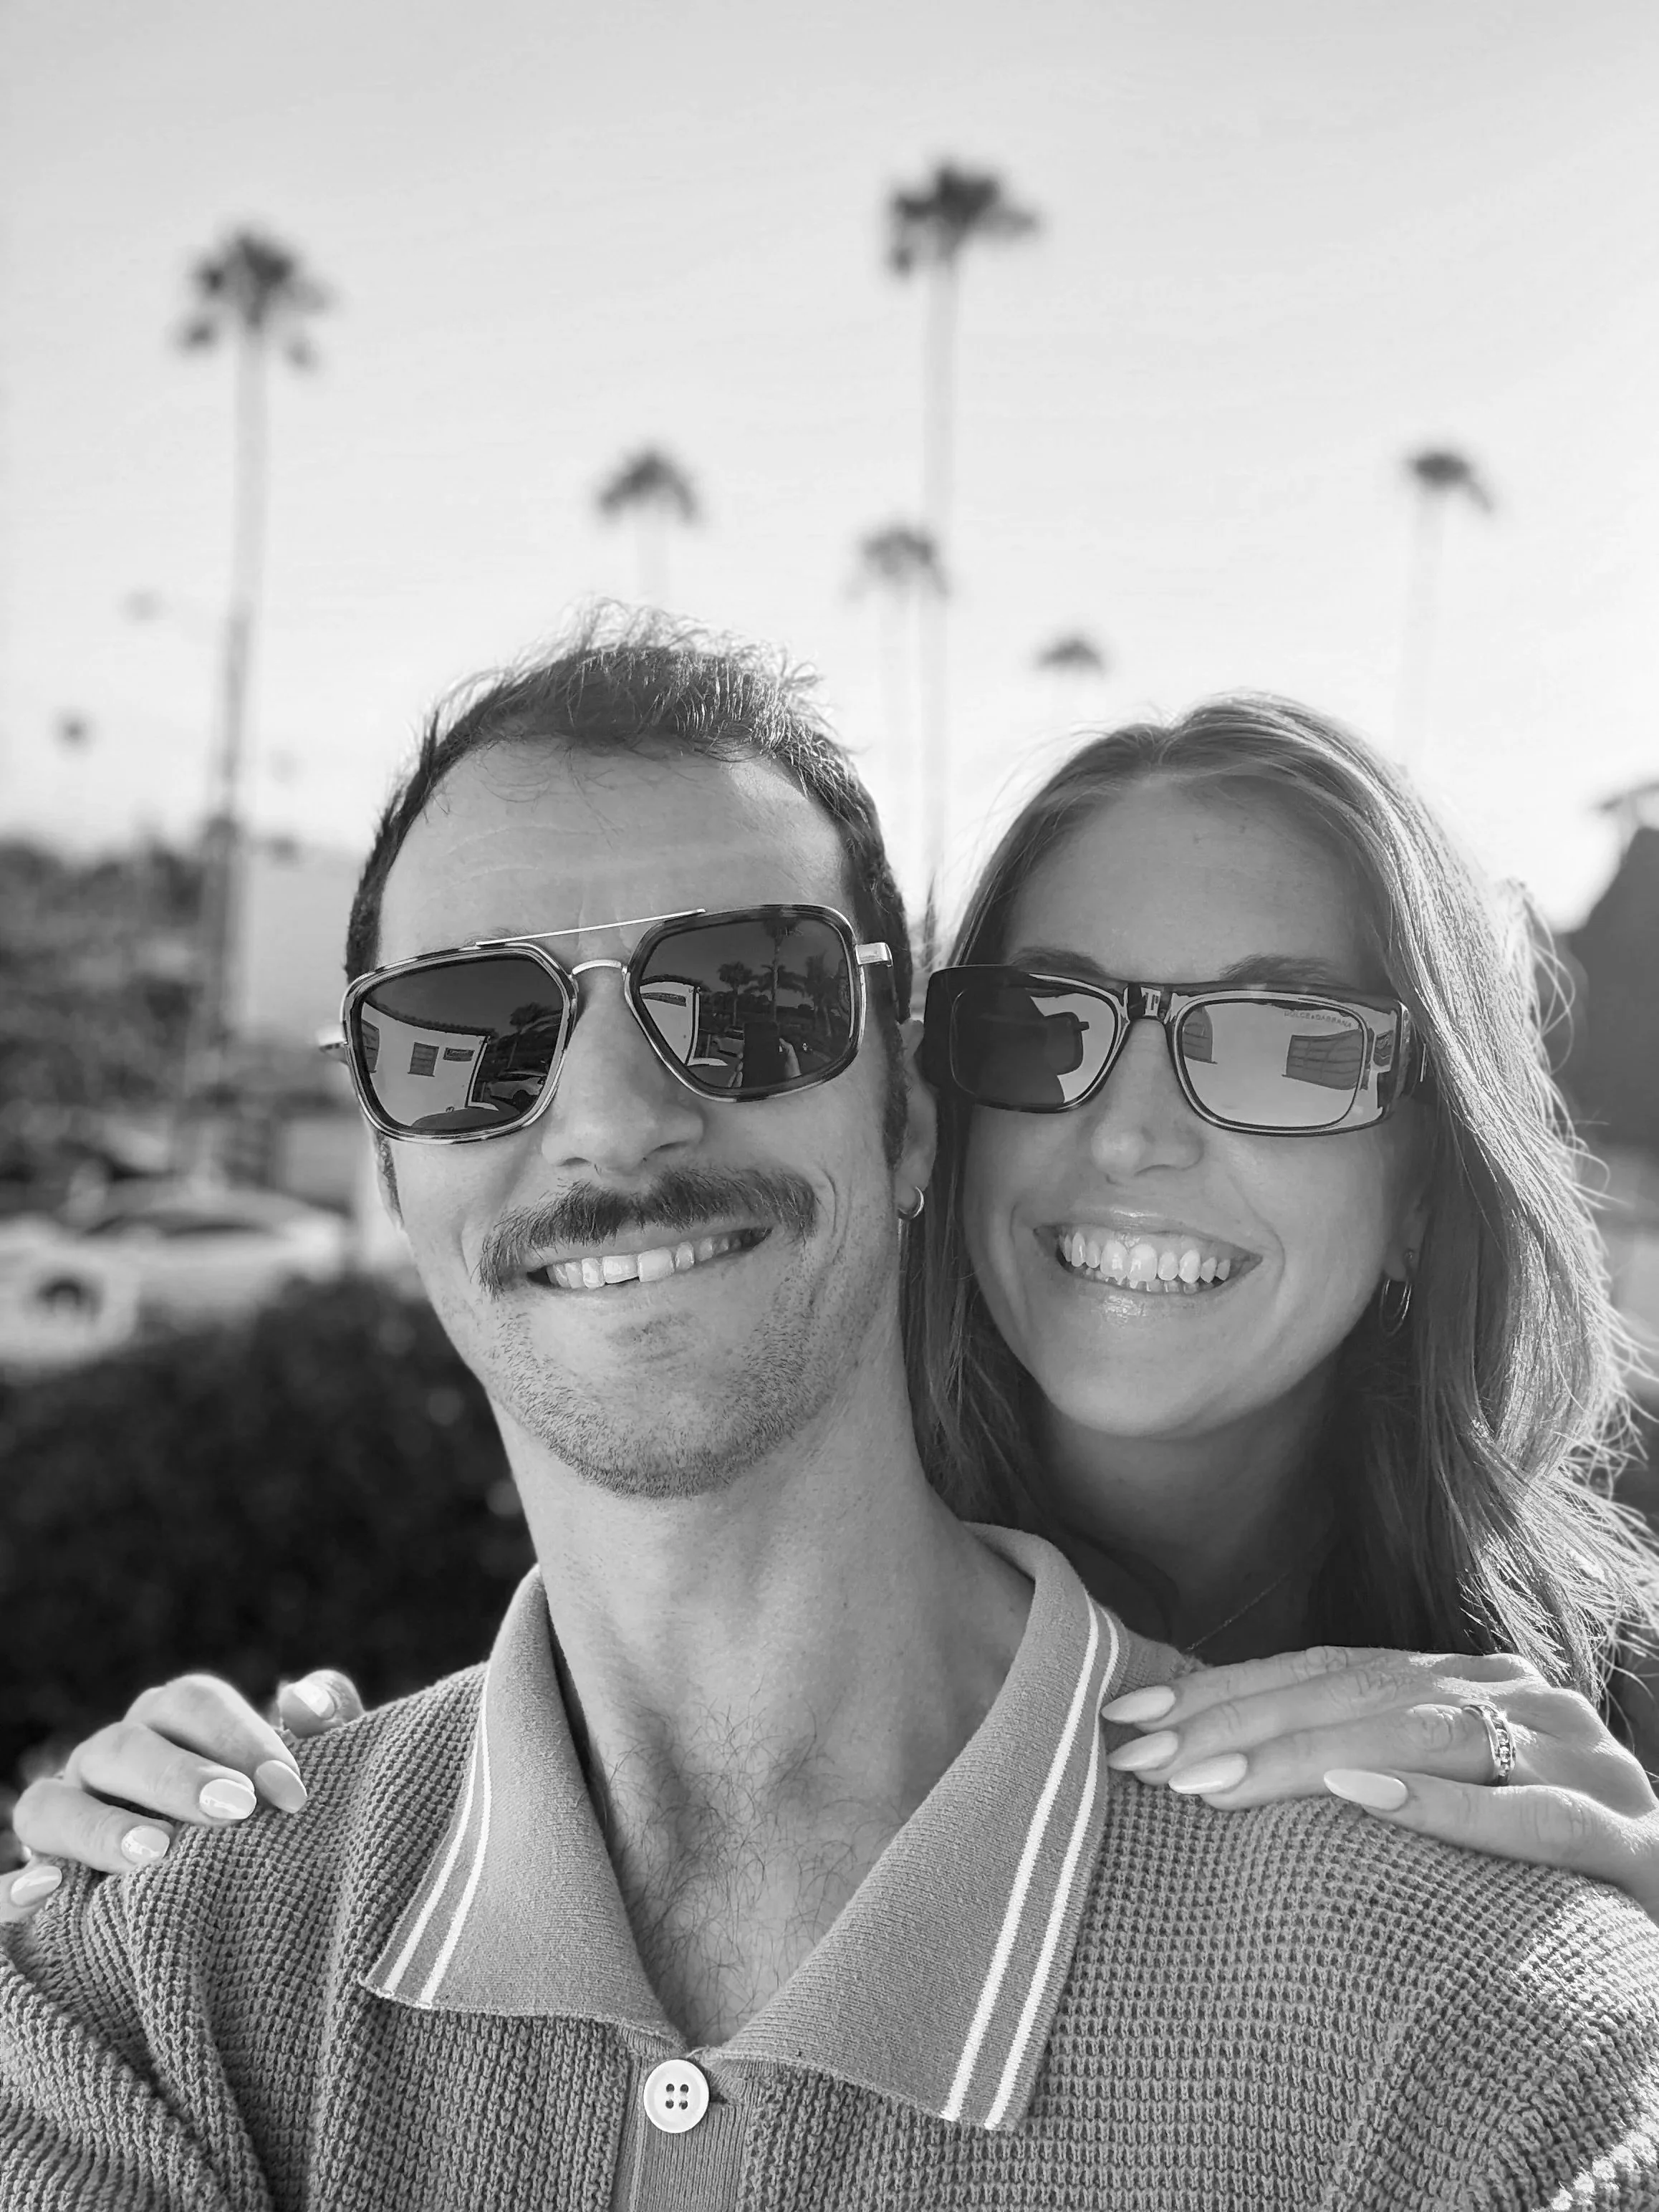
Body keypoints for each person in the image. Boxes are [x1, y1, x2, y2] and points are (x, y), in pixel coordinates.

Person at [5, 622, 1659, 2210]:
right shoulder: (166, 1974)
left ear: (900, 1109)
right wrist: (188, 1859)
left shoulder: (1496, 1969)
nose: (611, 1119)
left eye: (746, 996)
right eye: (467, 1038)